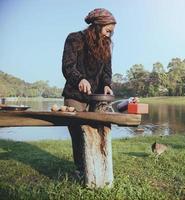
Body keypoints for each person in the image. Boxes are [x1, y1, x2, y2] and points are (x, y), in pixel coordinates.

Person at [61, 8, 116, 174]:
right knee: (78, 132)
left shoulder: (106, 45)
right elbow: (67, 66)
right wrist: (79, 79)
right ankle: (81, 169)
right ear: (97, 26)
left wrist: (107, 84)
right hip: (75, 95)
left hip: (96, 97)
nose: (109, 35)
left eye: (111, 32)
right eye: (107, 31)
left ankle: (98, 166)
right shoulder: (75, 38)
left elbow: (107, 70)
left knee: (99, 130)